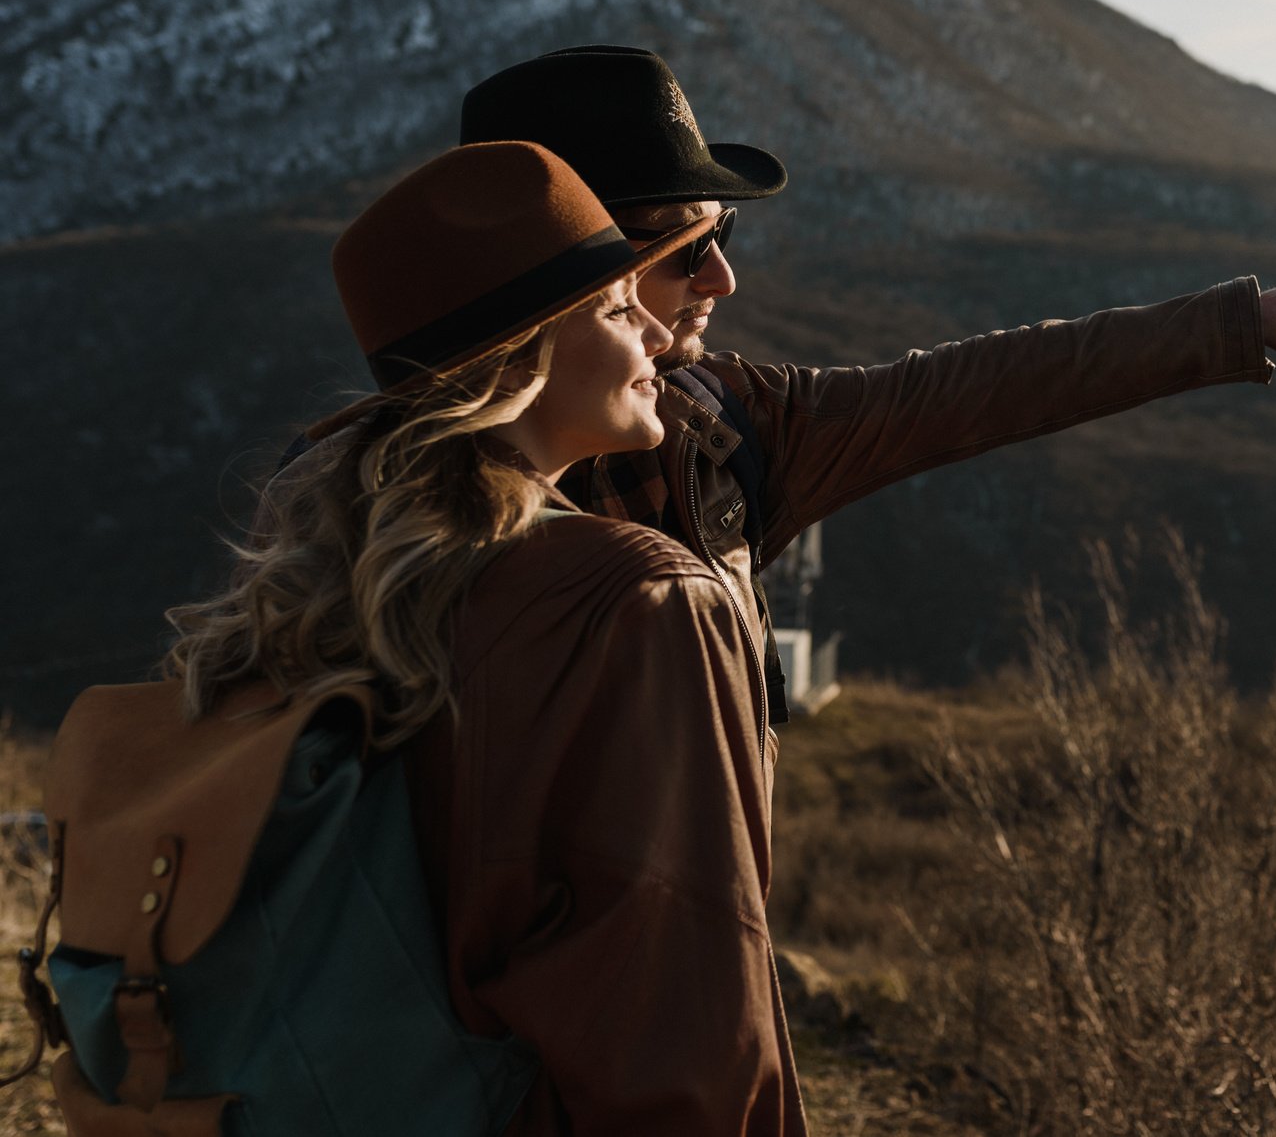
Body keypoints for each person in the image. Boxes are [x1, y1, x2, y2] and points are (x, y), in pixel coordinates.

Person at [454, 46, 1276, 740]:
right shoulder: (368, 529)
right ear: (567, 275)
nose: (720, 281)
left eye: (725, 238)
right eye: (679, 249)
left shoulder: (727, 426)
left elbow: (978, 387)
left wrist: (1239, 323)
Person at [176, 140, 816, 1133]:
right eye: (615, 305)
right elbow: (687, 1031)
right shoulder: (641, 601)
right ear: (531, 349)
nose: (655, 331)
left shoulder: (331, 582)